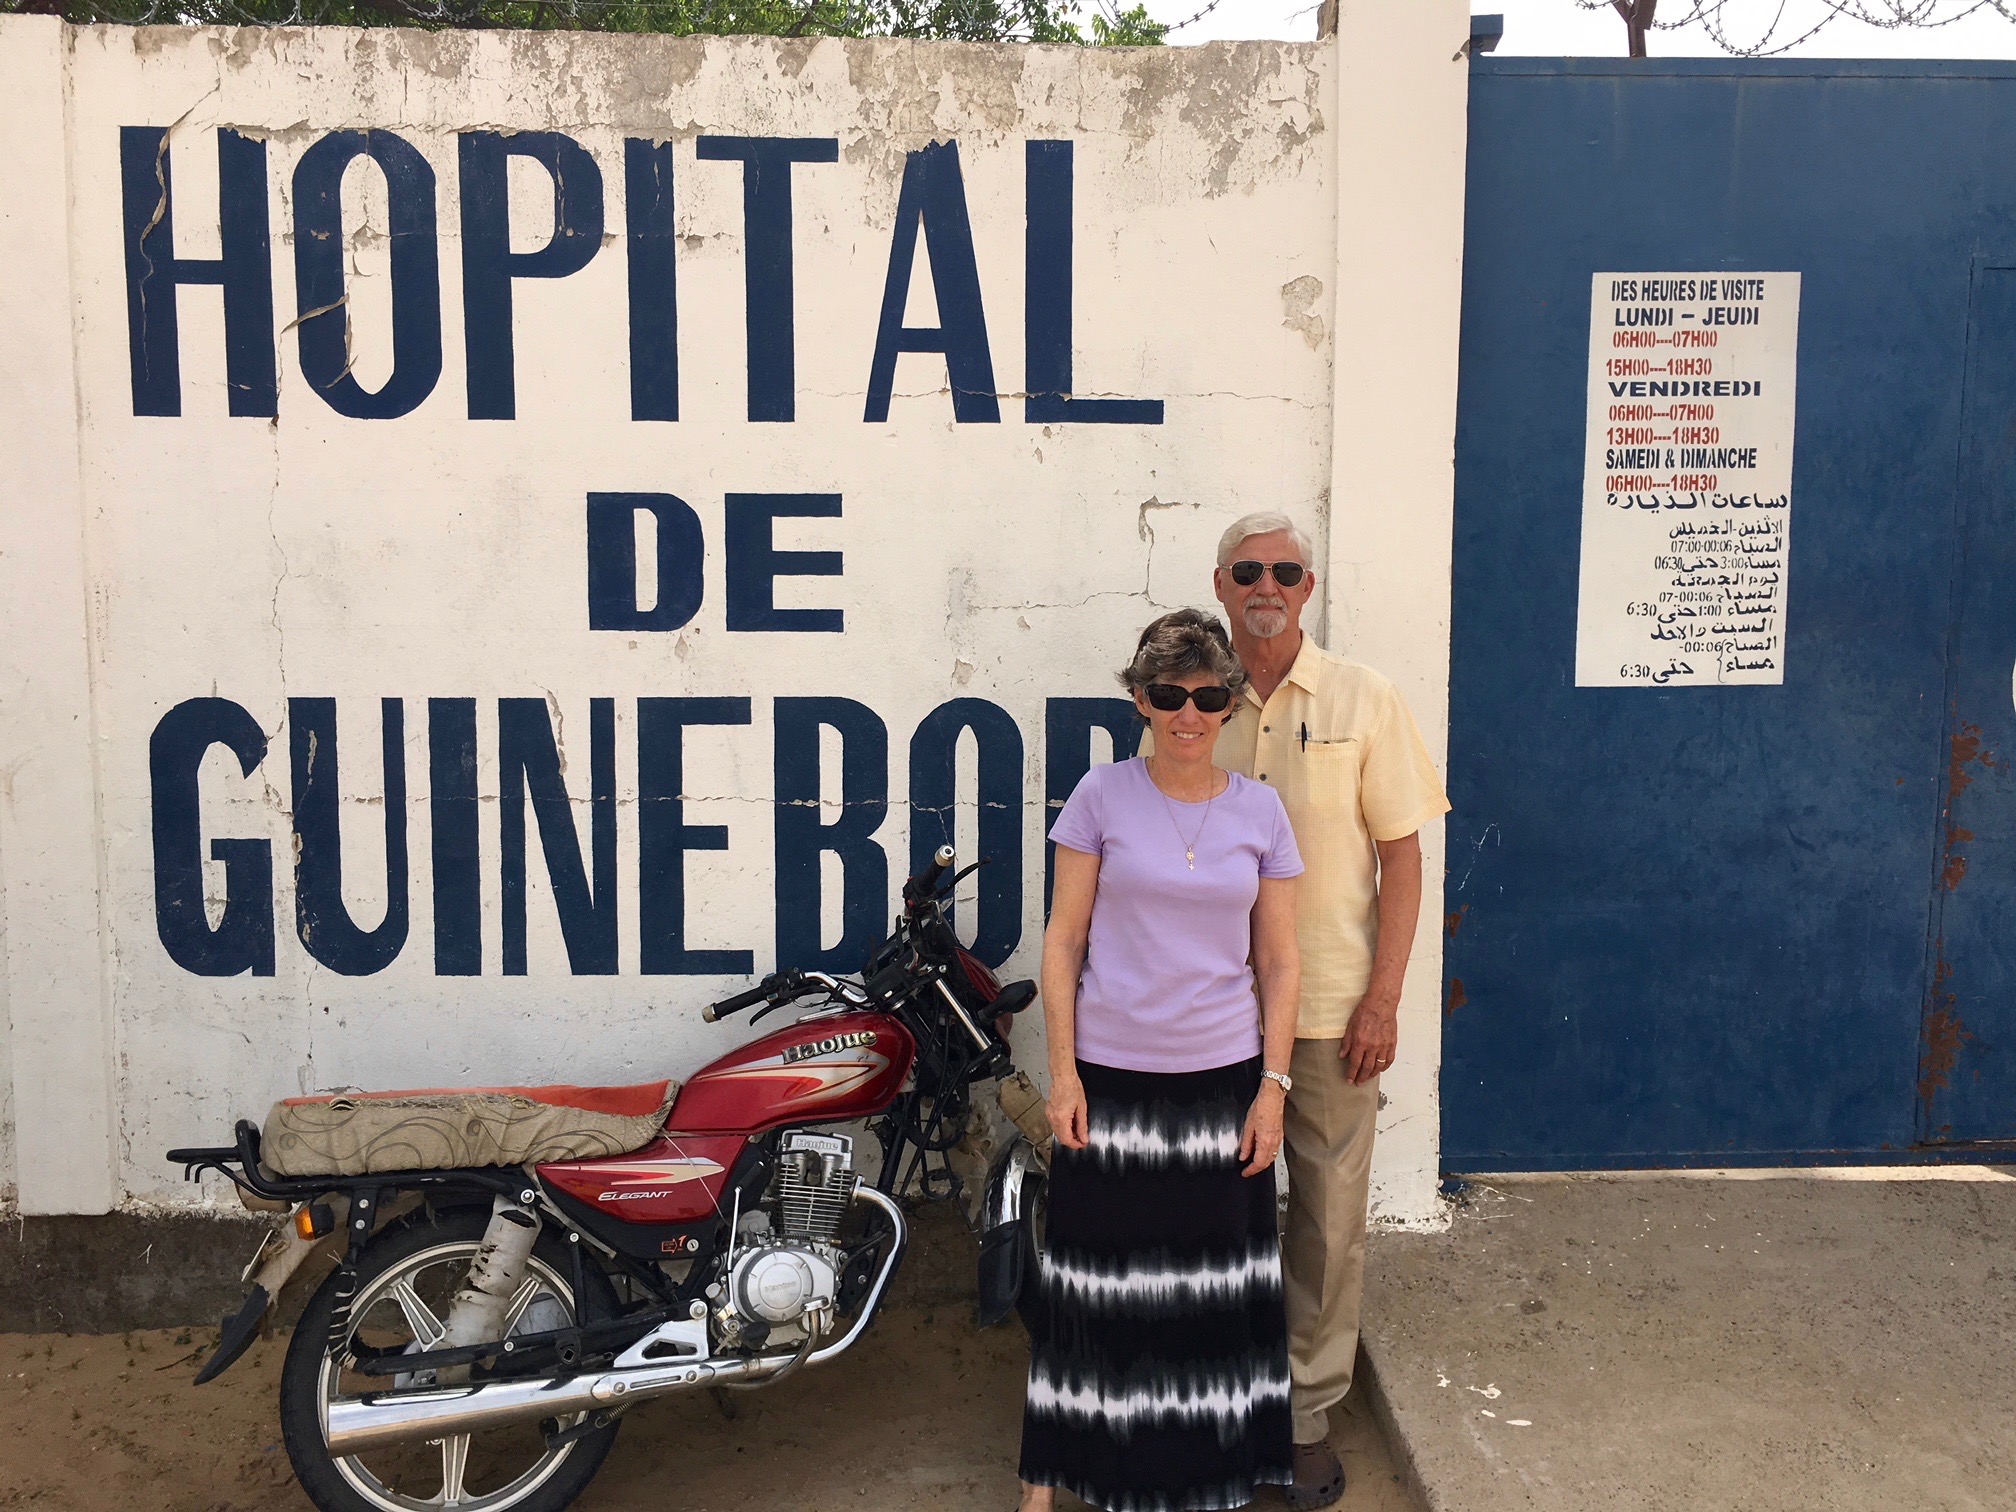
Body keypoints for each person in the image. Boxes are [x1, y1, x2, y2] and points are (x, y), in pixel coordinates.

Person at [1018, 608, 1303, 1512]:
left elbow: (1281, 961)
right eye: (1168, 695)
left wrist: (1274, 1089)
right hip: (1110, 1081)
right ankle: (1049, 1485)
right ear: (1140, 701)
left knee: (1210, 1294)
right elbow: (1061, 945)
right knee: (1093, 1287)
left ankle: (1206, 1477)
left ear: (1230, 704)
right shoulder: (1098, 797)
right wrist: (1063, 1074)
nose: (1189, 712)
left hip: (1224, 1085)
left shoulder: (1262, 811)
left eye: (1209, 695)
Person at [1193, 510, 1450, 1511]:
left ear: (1309, 587)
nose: (1268, 585)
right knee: (1220, 1217)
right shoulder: (1189, 698)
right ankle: (1221, 1408)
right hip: (1214, 1014)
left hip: (1335, 1010)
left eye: (1286, 571)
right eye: (1249, 569)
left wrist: (1384, 998)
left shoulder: (1363, 698)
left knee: (1330, 1222)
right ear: (1221, 585)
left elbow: (1402, 855)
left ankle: (1302, 1418)